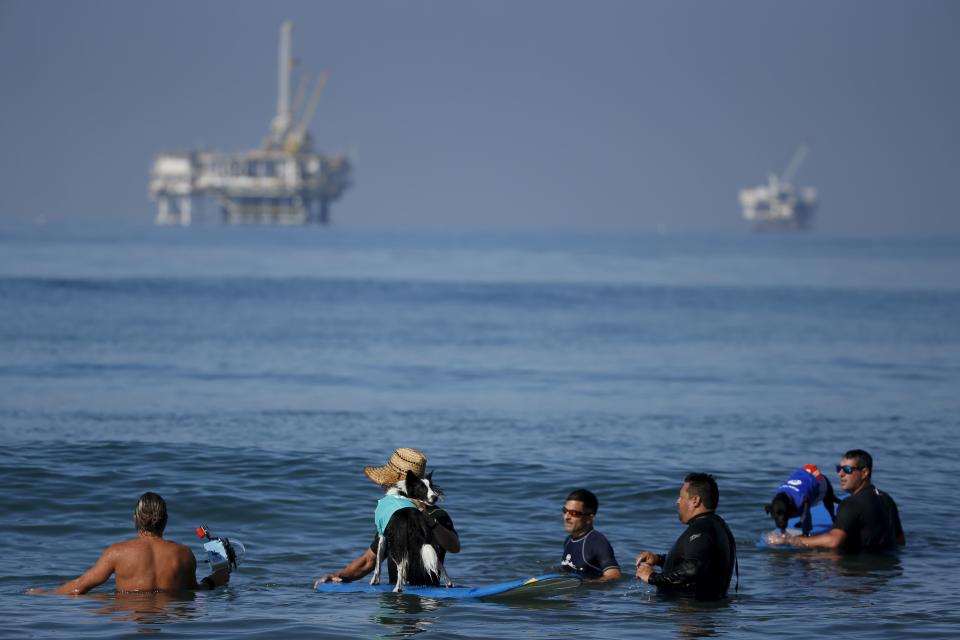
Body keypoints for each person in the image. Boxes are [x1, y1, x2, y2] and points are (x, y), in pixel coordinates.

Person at [314, 448, 460, 587]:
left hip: (428, 598)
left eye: (387, 483)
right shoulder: (395, 516)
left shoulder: (436, 515)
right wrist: (338, 576)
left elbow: (454, 546)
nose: (383, 486)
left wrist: (427, 518)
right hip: (396, 599)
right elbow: (368, 561)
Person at [31, 492, 229, 595]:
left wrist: (44, 594)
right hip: (171, 619)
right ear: (166, 520)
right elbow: (195, 590)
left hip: (128, 618)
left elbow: (79, 588)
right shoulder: (184, 554)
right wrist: (218, 577)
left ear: (135, 518)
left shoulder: (117, 552)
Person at [769, 449, 905, 552]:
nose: (840, 474)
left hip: (857, 575)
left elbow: (833, 541)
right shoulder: (887, 499)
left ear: (864, 473)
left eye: (847, 469)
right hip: (884, 574)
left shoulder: (851, 504)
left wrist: (790, 540)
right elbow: (900, 540)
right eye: (839, 469)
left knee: (803, 563)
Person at [635, 472, 737, 600]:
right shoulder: (716, 525)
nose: (677, 501)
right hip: (703, 612)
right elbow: (698, 562)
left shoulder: (702, 529)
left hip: (691, 614)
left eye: (681, 497)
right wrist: (658, 560)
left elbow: (692, 569)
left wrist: (652, 577)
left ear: (695, 500)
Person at [560, 488, 621, 582]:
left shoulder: (598, 542)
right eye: (565, 511)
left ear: (589, 518)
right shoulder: (569, 540)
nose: (567, 517)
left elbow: (614, 575)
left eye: (574, 513)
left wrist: (585, 584)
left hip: (589, 596)